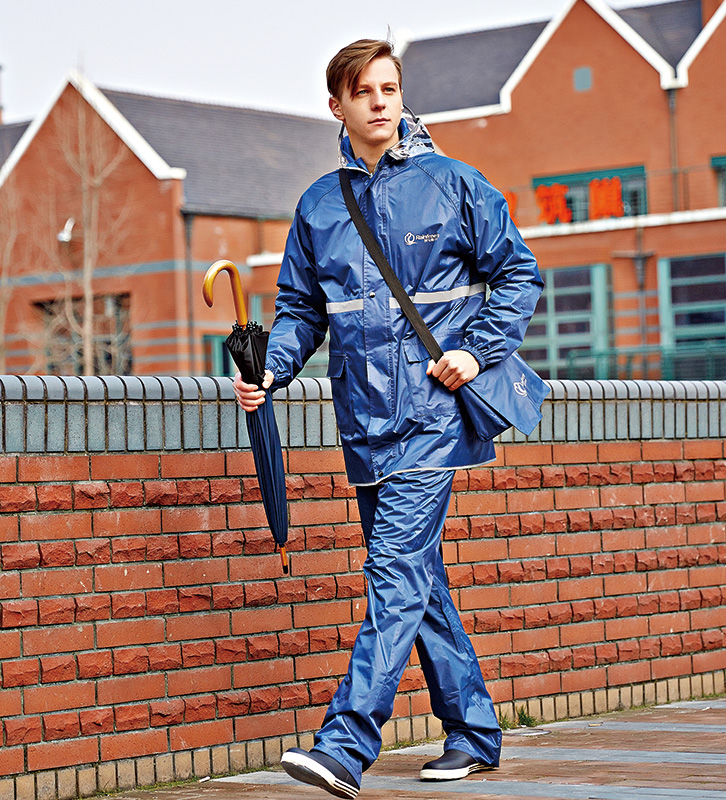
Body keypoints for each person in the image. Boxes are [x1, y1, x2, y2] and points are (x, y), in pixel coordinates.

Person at [232, 38, 543, 800]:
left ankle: (345, 745)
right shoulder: (317, 206)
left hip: (434, 417)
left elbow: (518, 274)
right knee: (418, 580)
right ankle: (474, 731)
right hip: (363, 424)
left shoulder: (454, 184)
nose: (379, 101)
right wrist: (270, 369)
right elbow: (302, 310)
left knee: (393, 572)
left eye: (389, 88)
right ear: (336, 105)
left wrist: (474, 350)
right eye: (363, 91)